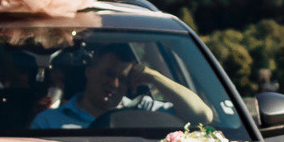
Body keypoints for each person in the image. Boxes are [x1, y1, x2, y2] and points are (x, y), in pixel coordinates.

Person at [30, 41, 197, 129]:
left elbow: (201, 116)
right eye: (109, 74)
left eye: (123, 78)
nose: (114, 84)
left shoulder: (143, 110)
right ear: (88, 71)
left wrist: (154, 77)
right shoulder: (49, 121)